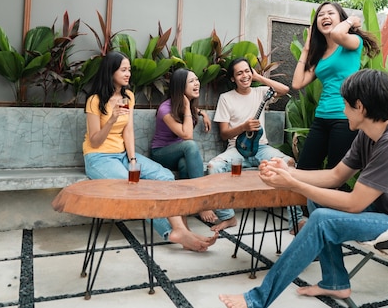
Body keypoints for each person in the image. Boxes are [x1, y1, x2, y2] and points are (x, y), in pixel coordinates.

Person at [218, 69, 388, 308]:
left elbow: (354, 204)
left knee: (323, 220)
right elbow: (336, 176)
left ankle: (256, 300)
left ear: (360, 107)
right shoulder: (368, 133)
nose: (343, 110)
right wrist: (288, 172)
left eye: (345, 104)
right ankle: (335, 282)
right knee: (319, 203)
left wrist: (294, 184)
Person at [82, 51, 217, 252]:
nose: (128, 74)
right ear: (111, 72)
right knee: (134, 187)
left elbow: (128, 130)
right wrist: (111, 119)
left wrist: (133, 159)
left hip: (122, 155)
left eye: (129, 70)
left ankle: (181, 229)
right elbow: (94, 141)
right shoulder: (95, 100)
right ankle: (170, 232)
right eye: (123, 70)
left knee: (164, 176)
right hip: (98, 157)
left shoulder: (128, 96)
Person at [207, 57, 306, 233]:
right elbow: (224, 134)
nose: (244, 76)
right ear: (232, 79)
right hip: (236, 149)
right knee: (213, 166)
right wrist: (243, 127)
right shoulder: (226, 98)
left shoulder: (261, 92)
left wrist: (258, 77)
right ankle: (228, 217)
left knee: (289, 162)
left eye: (247, 71)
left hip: (262, 148)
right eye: (239, 73)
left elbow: (284, 89)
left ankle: (295, 221)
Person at [292, 1, 380, 170]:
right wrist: (306, 50)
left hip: (344, 118)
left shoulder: (352, 42)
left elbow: (338, 35)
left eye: (330, 13)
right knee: (305, 168)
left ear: (341, 18)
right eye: (320, 15)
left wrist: (351, 21)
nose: (325, 16)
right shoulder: (321, 55)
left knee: (335, 173)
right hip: (321, 117)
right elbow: (297, 83)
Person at [151, 67, 237, 230]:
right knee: (190, 145)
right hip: (161, 153)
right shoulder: (165, 109)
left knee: (184, 165)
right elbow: (187, 135)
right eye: (191, 81)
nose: (197, 83)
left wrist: (202, 113)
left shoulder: (188, 105)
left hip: (179, 154)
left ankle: (184, 208)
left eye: (197, 79)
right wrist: (186, 108)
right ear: (180, 87)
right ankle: (202, 201)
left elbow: (194, 112)